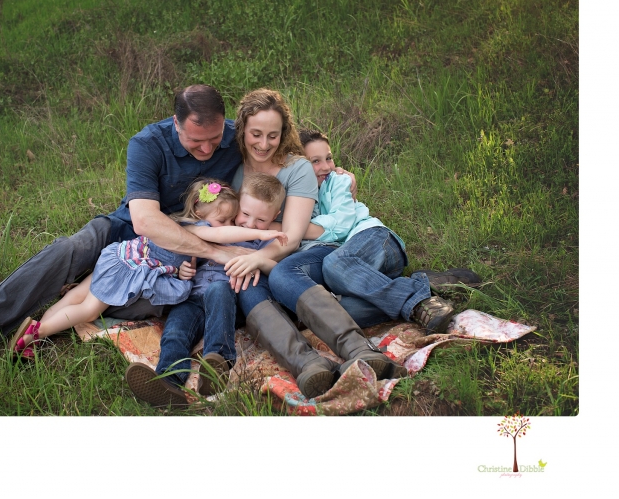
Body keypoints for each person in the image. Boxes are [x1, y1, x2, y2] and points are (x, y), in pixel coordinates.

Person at [0, 85, 249, 355]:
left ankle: (75, 295)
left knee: (161, 293)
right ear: (176, 124)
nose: (207, 148)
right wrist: (216, 252)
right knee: (71, 248)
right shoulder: (148, 144)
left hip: (177, 253)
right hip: (126, 228)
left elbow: (279, 155)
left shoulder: (236, 138)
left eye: (214, 138)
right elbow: (145, 222)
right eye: (195, 140)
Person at [221, 88, 405, 400]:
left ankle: (358, 349)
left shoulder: (298, 167)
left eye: (273, 135)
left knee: (280, 275)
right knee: (244, 283)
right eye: (256, 134)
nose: (263, 144)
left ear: (284, 133)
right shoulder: (234, 170)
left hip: (302, 253)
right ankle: (307, 364)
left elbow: (293, 237)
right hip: (258, 254)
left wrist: (259, 258)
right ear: (242, 130)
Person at [9, 178, 284, 363]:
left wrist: (181, 274)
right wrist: (265, 229)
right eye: (222, 219)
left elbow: (186, 262)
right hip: (132, 266)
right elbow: (224, 235)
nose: (226, 223)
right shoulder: (200, 228)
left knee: (79, 295)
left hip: (123, 255)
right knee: (90, 310)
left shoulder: (193, 226)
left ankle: (35, 329)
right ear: (201, 214)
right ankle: (35, 334)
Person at [276, 129, 480, 338]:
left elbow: (340, 226)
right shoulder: (296, 196)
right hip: (358, 271)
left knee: (333, 264)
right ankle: (427, 287)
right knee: (342, 310)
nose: (326, 166)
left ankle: (417, 301)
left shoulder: (337, 181)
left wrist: (294, 229)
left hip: (376, 241)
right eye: (315, 161)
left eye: (328, 158)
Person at [125, 173, 288, 407]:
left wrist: (259, 259)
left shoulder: (259, 240)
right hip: (192, 297)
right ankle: (169, 381)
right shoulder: (202, 228)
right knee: (175, 331)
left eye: (259, 221)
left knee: (219, 289)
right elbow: (195, 254)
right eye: (243, 215)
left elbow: (276, 267)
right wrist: (183, 271)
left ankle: (217, 363)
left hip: (226, 298)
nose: (246, 224)